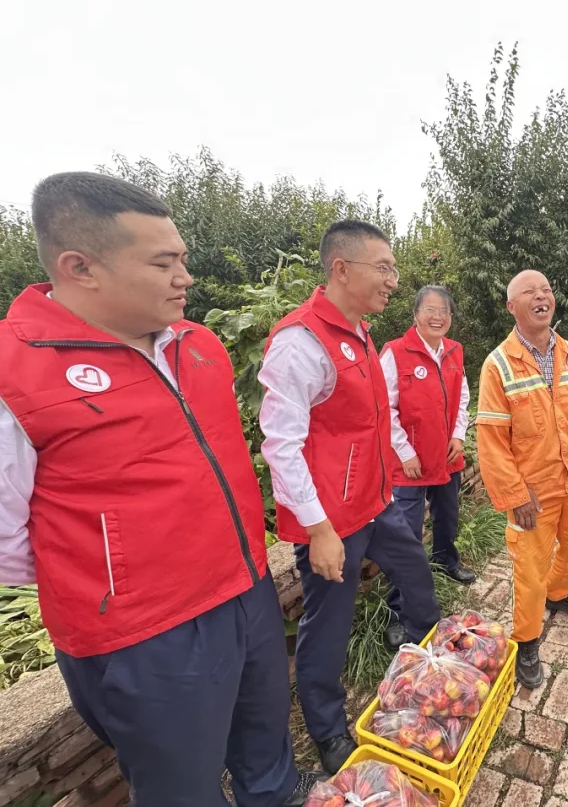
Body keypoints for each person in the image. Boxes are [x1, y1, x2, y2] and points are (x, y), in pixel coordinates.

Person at [0, 172, 321, 807]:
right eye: (162, 262)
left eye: (183, 259)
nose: (185, 277)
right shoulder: (17, 372)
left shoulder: (198, 347)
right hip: (145, 637)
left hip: (245, 587)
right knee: (182, 788)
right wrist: (121, 577)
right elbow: (9, 544)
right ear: (80, 267)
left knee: (265, 744)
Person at [258, 220, 441, 775]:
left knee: (416, 574)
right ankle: (328, 730)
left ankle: (422, 663)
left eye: (393, 268)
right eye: (382, 267)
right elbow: (281, 445)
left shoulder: (357, 332)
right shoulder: (300, 341)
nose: (394, 280)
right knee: (328, 626)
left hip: (375, 501)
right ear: (342, 269)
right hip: (332, 521)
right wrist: (317, 530)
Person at [475, 270, 568, 688]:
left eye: (547, 290)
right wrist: (516, 495)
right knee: (529, 572)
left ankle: (560, 593)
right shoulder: (497, 365)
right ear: (511, 307)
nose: (541, 296)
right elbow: (492, 440)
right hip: (532, 495)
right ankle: (527, 640)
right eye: (529, 292)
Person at [379, 286, 476, 585]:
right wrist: (405, 452)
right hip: (409, 459)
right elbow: (384, 409)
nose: (437, 317)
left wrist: (458, 435)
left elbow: (462, 396)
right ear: (415, 315)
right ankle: (403, 593)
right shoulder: (395, 352)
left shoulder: (454, 350)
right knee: (407, 528)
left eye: (443, 311)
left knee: (447, 516)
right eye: (430, 310)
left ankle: (446, 561)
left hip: (446, 454)